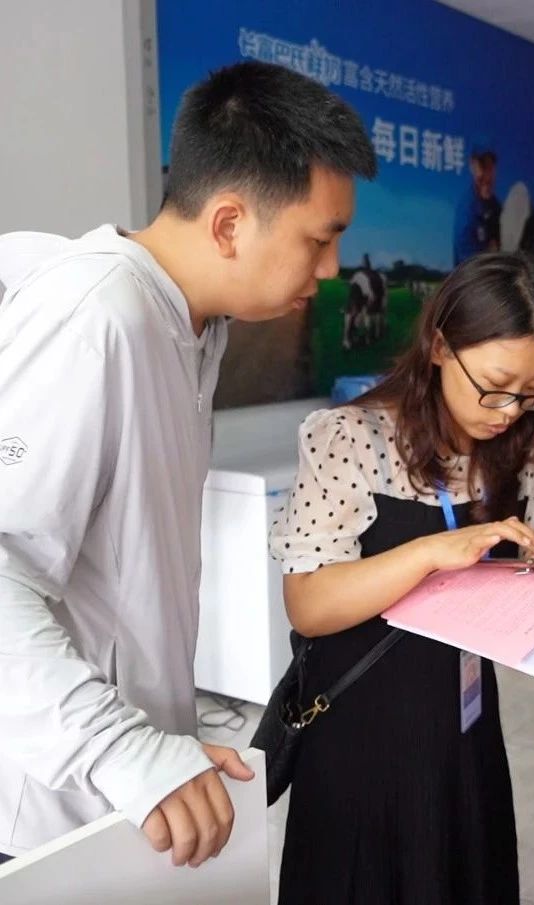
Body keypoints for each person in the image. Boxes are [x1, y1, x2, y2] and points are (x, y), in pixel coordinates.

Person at [0, 60, 375, 867]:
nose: (331, 269)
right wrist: (119, 747)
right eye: (320, 238)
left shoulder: (195, 329)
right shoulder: (97, 319)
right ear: (230, 223)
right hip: (43, 807)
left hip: (129, 782)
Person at [270, 251, 534, 904]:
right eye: (493, 385)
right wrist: (432, 552)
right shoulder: (351, 439)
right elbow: (309, 605)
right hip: (361, 727)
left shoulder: (525, 447)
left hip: (464, 720)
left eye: (531, 392)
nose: (508, 411)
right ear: (440, 347)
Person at [453, 142, 501, 265]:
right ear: (472, 166)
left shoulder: (495, 205)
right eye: (483, 167)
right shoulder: (466, 212)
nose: (487, 176)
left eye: (490, 167)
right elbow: (470, 266)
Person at [342, 252, 388, 350]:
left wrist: (365, 308)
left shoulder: (361, 277)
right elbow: (371, 294)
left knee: (351, 318)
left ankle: (349, 339)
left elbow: (370, 295)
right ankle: (350, 338)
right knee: (351, 317)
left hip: (358, 300)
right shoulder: (362, 277)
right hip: (357, 300)